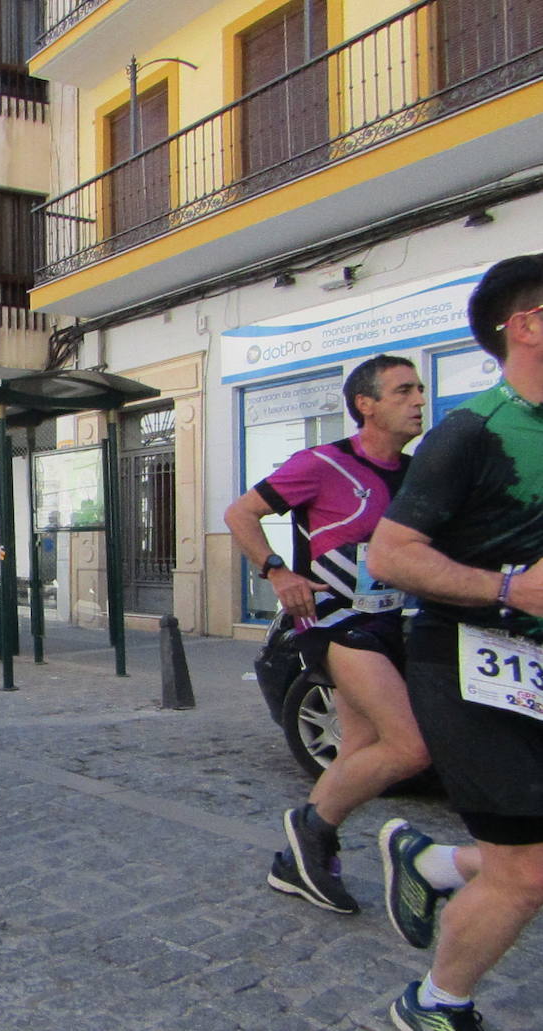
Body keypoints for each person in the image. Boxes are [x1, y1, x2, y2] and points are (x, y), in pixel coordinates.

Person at [225, 355, 479, 920]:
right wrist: (277, 572)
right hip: (336, 620)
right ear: (366, 404)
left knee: (362, 749)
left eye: (420, 389)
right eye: (403, 391)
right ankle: (307, 827)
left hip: (391, 622)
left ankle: (301, 859)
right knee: (410, 747)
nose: (419, 400)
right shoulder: (322, 463)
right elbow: (241, 512)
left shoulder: (416, 474)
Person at [366, 254, 543, 1030]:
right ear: (527, 325)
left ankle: (434, 862)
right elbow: (390, 554)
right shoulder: (472, 431)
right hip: (468, 664)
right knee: (526, 872)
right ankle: (435, 1004)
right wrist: (508, 588)